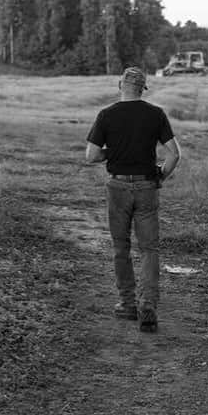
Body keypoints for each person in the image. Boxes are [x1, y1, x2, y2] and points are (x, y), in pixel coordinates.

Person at [85, 66, 181, 333]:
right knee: (149, 248)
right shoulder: (156, 114)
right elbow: (174, 154)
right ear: (143, 89)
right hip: (147, 186)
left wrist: (111, 154)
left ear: (120, 86)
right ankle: (148, 303)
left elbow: (91, 156)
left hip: (117, 187)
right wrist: (160, 175)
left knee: (120, 246)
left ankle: (127, 304)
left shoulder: (106, 115)